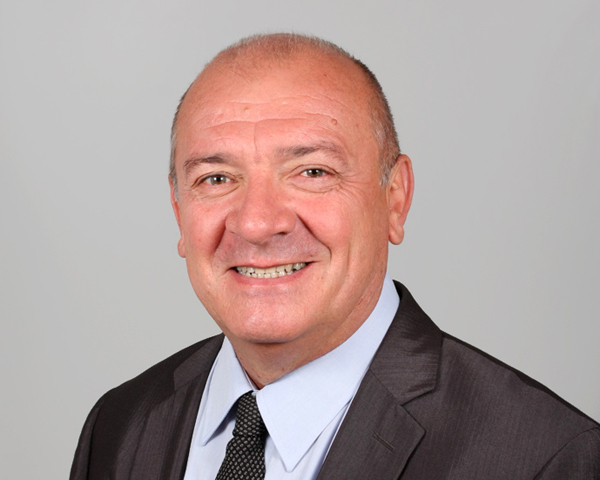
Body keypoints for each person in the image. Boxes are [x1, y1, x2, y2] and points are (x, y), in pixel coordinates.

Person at [70, 33, 600, 480]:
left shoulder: (546, 458)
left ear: (395, 199)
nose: (257, 223)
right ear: (178, 211)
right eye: (217, 178)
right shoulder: (118, 427)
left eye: (312, 172)